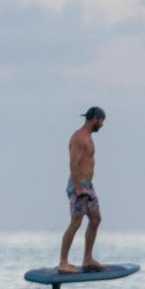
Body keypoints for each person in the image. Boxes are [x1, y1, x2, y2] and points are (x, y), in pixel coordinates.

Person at [58, 106, 107, 273]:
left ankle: (87, 259)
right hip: (78, 185)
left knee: (95, 219)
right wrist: (78, 188)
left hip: (88, 186)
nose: (102, 125)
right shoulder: (79, 138)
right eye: (102, 121)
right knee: (76, 222)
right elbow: (73, 163)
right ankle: (63, 262)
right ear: (96, 119)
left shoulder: (87, 137)